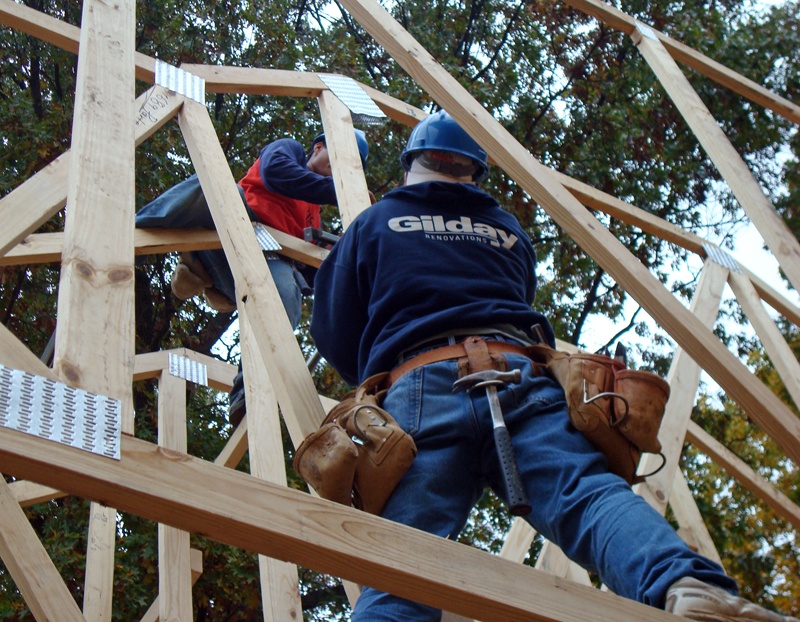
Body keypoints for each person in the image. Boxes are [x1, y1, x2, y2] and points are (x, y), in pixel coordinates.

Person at [309, 110, 797, 621]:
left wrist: (385, 374)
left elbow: (333, 329)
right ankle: (687, 588)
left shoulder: (375, 222)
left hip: (423, 383)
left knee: (404, 558)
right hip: (519, 374)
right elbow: (515, 299)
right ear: (475, 172)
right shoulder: (508, 231)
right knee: (585, 495)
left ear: (412, 164)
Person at [136, 130, 369, 425]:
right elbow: (275, 173)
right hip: (229, 232)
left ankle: (251, 393)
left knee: (287, 292)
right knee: (214, 187)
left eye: (350, 169)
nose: (339, 172)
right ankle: (131, 242)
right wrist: (339, 190)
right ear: (318, 147)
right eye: (338, 160)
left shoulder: (314, 216)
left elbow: (315, 274)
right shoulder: (290, 150)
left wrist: (349, 248)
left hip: (263, 265)